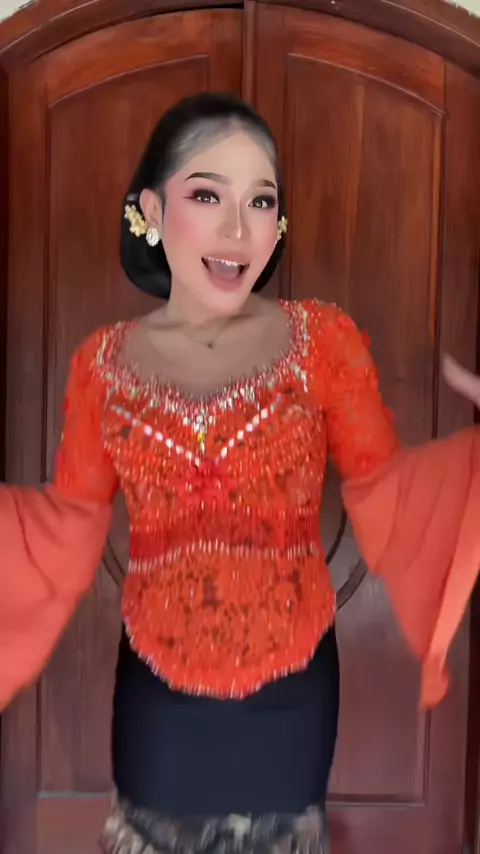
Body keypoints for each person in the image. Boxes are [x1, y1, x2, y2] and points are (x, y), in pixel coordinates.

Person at [1, 93, 479, 854]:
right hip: (157, 691)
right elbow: (65, 526)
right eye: (207, 195)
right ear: (152, 211)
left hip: (292, 689)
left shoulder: (323, 340)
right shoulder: (100, 362)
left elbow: (391, 495)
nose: (237, 229)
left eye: (261, 201)